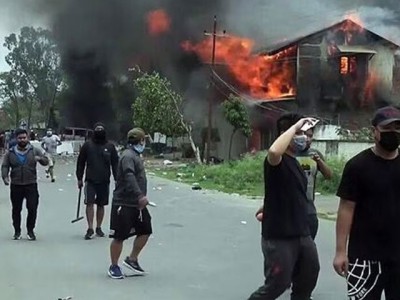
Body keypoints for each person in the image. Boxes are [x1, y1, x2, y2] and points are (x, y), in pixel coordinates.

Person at [248, 113, 320, 300]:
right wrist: (295, 126)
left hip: (301, 232)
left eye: (307, 134)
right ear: (287, 134)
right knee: (278, 284)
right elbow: (273, 151)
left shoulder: (295, 163)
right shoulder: (275, 160)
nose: (305, 138)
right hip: (279, 236)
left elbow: (285, 190)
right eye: (301, 133)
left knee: (308, 276)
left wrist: (267, 204)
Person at [333, 106, 400, 300]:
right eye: (387, 130)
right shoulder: (357, 166)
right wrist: (340, 251)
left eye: (397, 129)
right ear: (374, 132)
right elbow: (346, 209)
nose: (393, 134)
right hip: (364, 258)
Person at [108, 128, 152, 279]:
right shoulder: (127, 156)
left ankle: (132, 259)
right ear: (139, 141)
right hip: (124, 203)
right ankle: (114, 266)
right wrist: (140, 195)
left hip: (137, 204)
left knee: (146, 229)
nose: (144, 143)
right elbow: (129, 176)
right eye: (143, 140)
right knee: (120, 236)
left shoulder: (136, 155)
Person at [1, 128, 49, 240]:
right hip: (16, 185)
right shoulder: (10, 152)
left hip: (31, 184)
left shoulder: (35, 150)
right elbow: (5, 166)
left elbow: (46, 161)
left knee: (32, 208)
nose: (22, 140)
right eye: (20, 138)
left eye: (24, 137)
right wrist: (5, 177)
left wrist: (40, 159)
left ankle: (30, 230)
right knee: (16, 209)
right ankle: (17, 231)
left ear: (27, 138)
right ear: (16, 139)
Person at [76, 122, 119, 240]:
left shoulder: (110, 146)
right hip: (90, 180)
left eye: (101, 129)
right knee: (89, 203)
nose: (99, 131)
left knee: (101, 204)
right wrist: (79, 178)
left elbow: (115, 164)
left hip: (104, 180)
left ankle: (98, 227)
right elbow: (80, 163)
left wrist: (117, 179)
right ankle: (90, 228)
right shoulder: (87, 146)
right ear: (94, 131)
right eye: (97, 129)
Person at [297, 127, 333, 239]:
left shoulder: (314, 154)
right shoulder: (288, 154)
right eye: (304, 135)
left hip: (309, 210)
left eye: (310, 136)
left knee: (308, 250)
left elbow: (329, 175)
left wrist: (319, 161)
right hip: (291, 211)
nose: (307, 139)